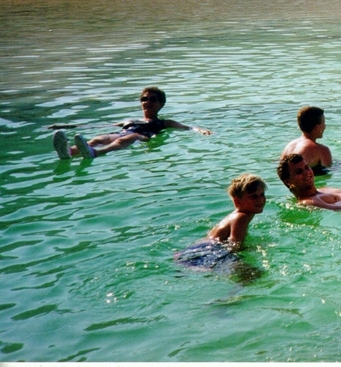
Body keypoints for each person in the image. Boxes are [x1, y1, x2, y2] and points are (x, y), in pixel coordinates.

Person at [51, 86, 212, 159]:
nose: (147, 102)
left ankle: (95, 153)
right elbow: (99, 125)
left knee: (129, 137)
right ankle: (70, 152)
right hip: (124, 133)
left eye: (152, 100)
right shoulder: (128, 120)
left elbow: (188, 127)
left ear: (161, 104)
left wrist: (201, 130)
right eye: (144, 99)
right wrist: (65, 126)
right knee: (99, 138)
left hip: (144, 138)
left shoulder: (165, 122)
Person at [175, 174, 267, 270]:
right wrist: (253, 248)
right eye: (253, 196)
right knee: (251, 273)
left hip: (199, 249)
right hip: (206, 252)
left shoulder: (238, 215)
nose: (260, 199)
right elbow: (235, 244)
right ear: (237, 202)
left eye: (262, 194)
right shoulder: (241, 217)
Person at [281, 106, 332, 175]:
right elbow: (330, 171)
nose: (325, 126)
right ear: (317, 128)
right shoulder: (322, 150)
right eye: (323, 123)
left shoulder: (290, 145)